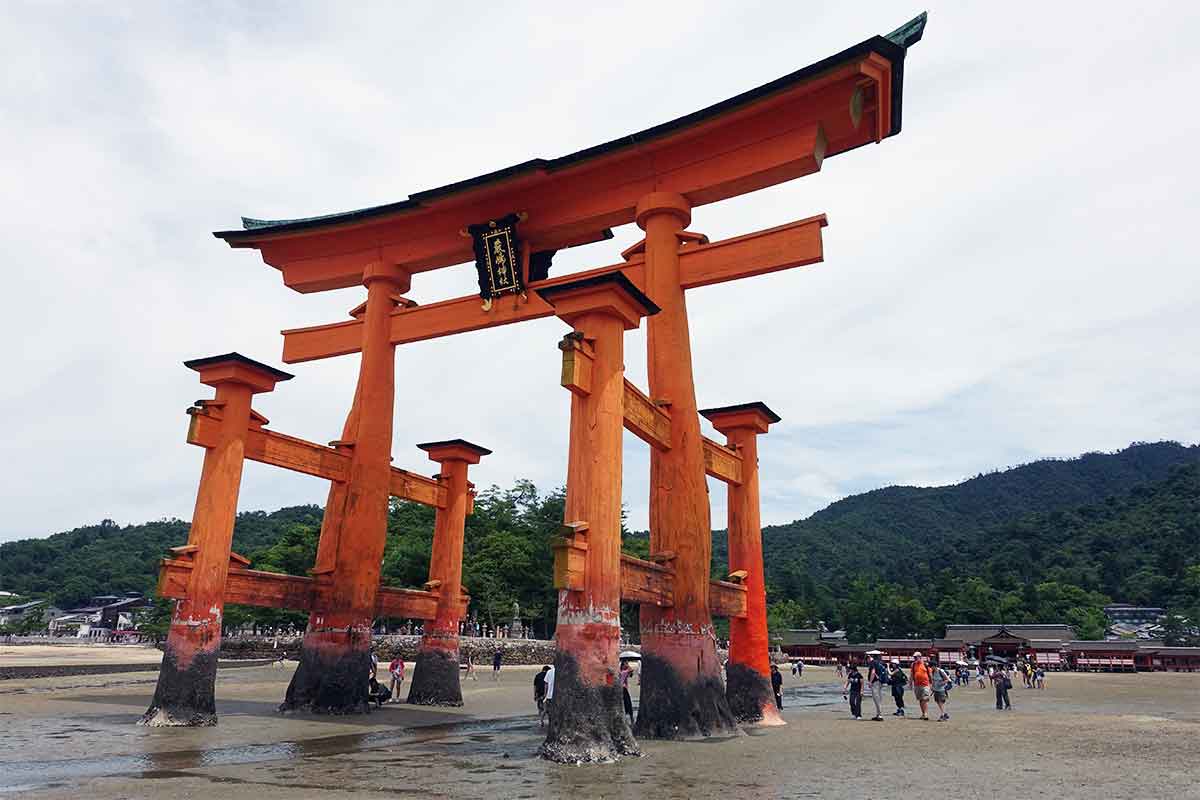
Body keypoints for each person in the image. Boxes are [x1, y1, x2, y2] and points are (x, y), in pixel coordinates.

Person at [866, 651, 889, 721]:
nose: (867, 660)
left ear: (871, 657)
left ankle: (879, 715)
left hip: (875, 682)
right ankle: (878, 714)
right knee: (879, 697)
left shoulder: (873, 663)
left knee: (876, 698)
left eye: (867, 658)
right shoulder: (880, 662)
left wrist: (870, 682)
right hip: (881, 682)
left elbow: (873, 673)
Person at [910, 651, 933, 720]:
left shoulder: (925, 664)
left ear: (920, 657)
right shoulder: (913, 665)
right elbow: (912, 674)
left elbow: (930, 674)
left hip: (925, 684)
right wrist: (910, 683)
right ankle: (923, 713)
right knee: (920, 699)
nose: (915, 659)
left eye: (916, 657)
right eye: (914, 657)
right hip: (917, 685)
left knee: (925, 699)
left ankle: (925, 714)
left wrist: (932, 684)